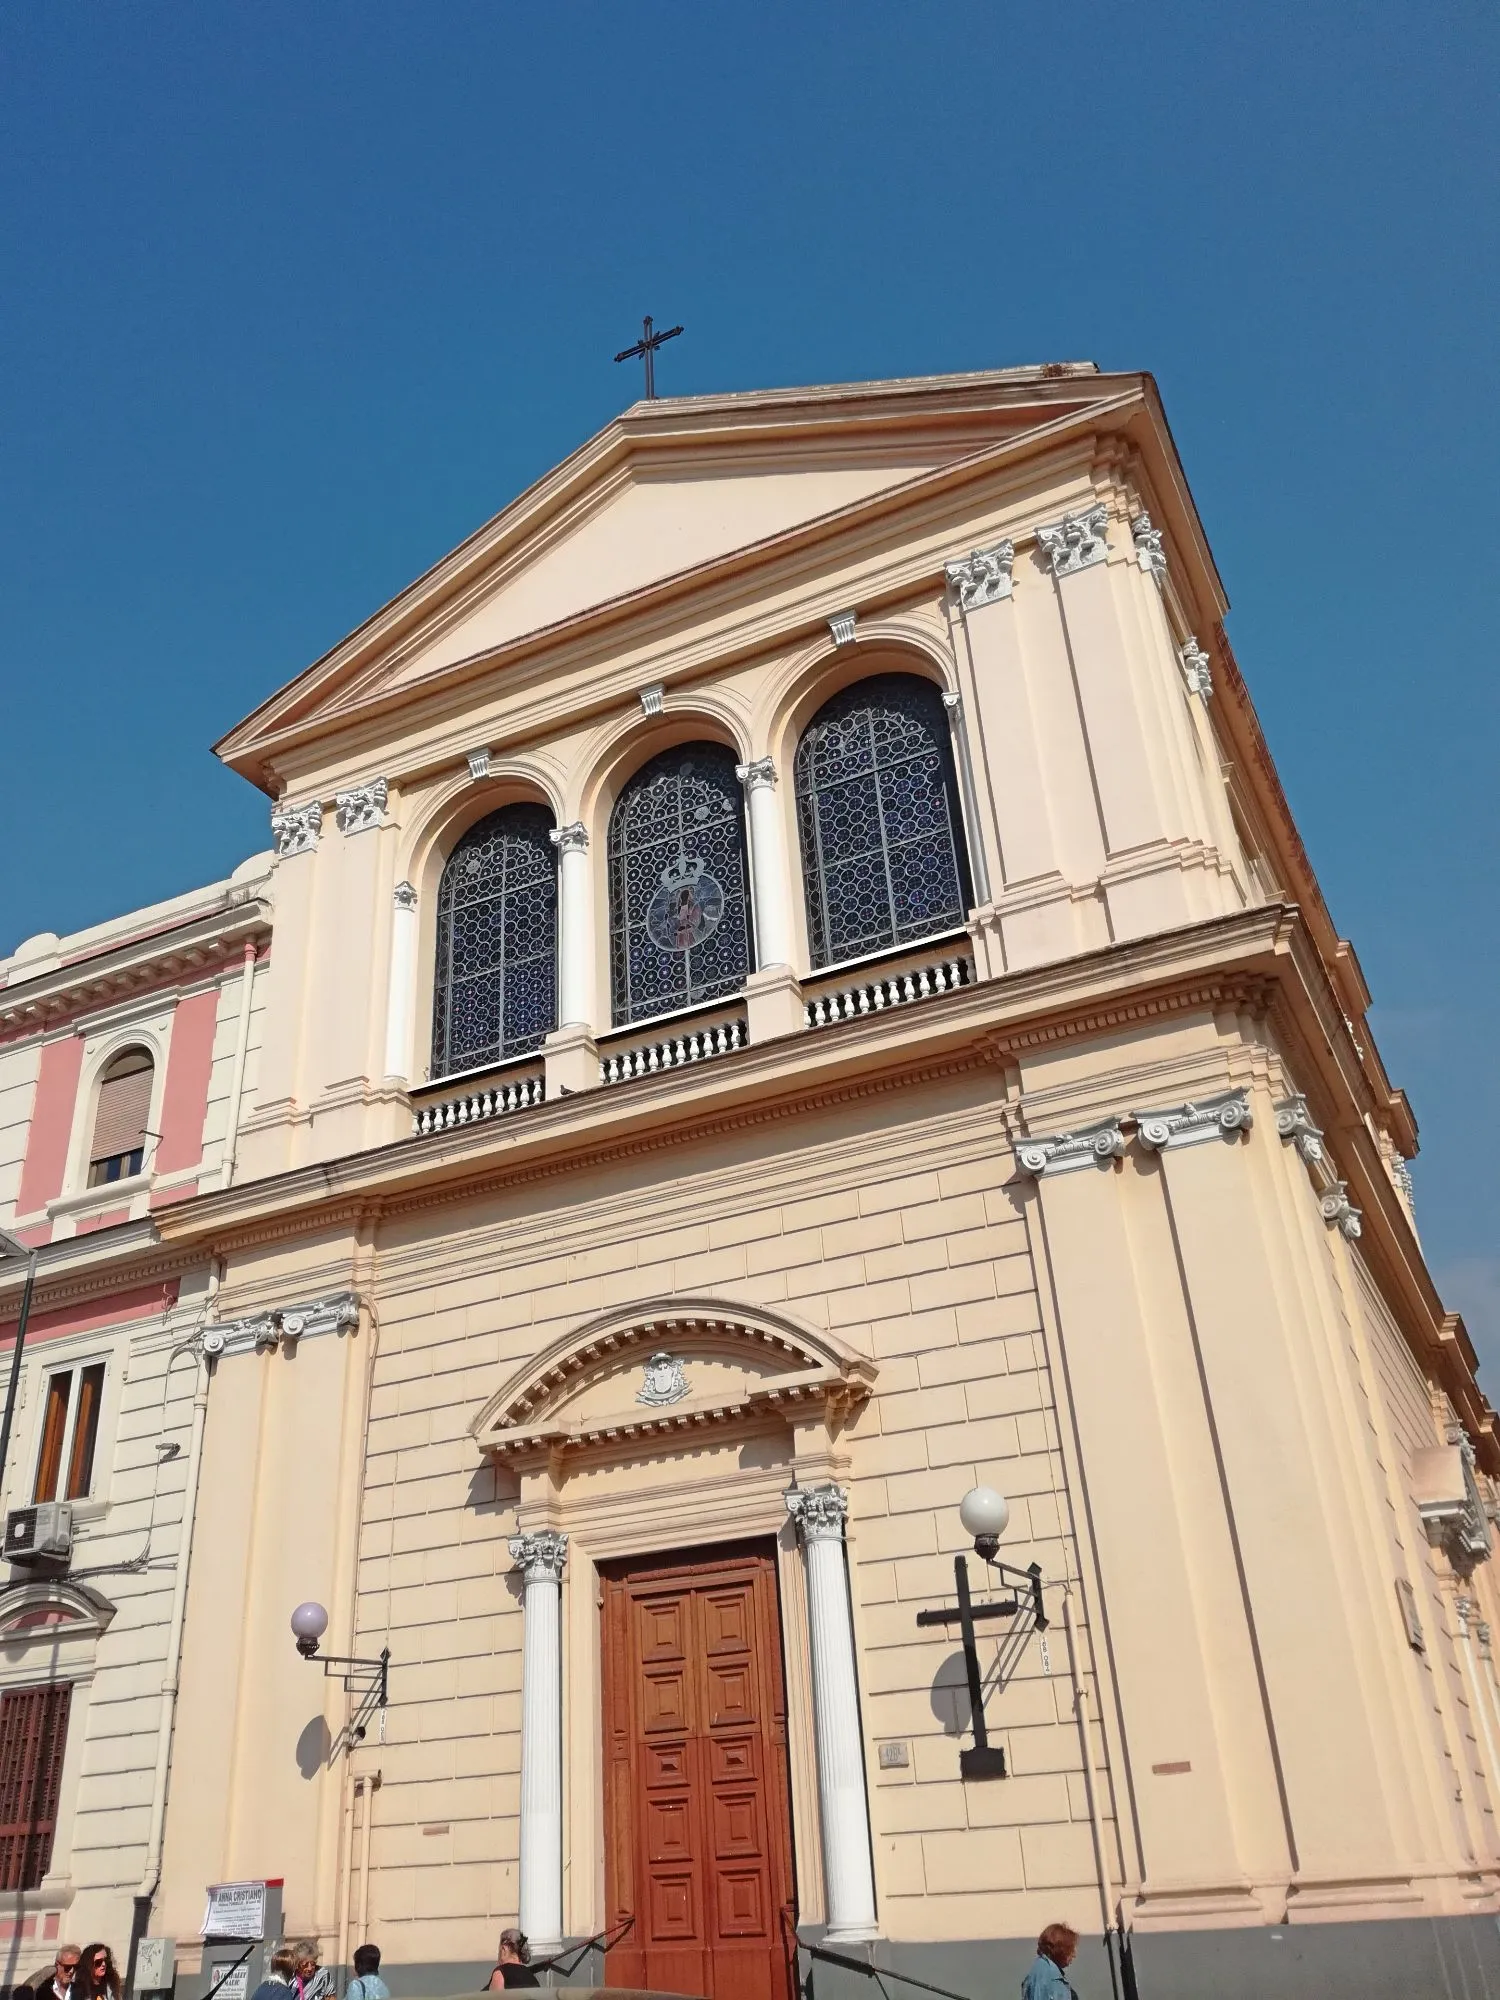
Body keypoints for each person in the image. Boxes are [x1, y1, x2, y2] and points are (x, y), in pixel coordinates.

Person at [1021, 1924, 1079, 2000]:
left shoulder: (1041, 1969)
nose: (1074, 1954)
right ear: (1060, 1949)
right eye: (1071, 1949)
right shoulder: (1048, 1976)